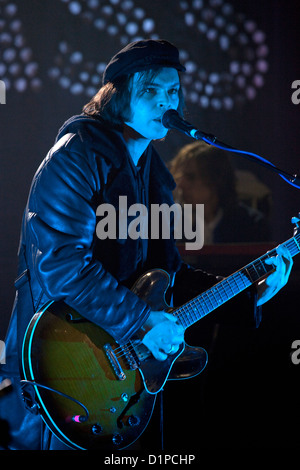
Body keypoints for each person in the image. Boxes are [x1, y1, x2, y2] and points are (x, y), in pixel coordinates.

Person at [0, 39, 293, 450]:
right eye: (151, 91)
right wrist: (143, 320)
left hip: (122, 382)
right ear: (117, 98)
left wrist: (252, 294)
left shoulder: (153, 175)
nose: (166, 103)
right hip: (64, 368)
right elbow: (64, 267)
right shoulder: (74, 158)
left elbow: (168, 275)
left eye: (172, 92)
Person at [169, 141, 271, 244]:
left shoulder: (251, 226)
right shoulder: (170, 225)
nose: (181, 185)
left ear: (216, 180)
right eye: (179, 178)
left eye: (191, 177)